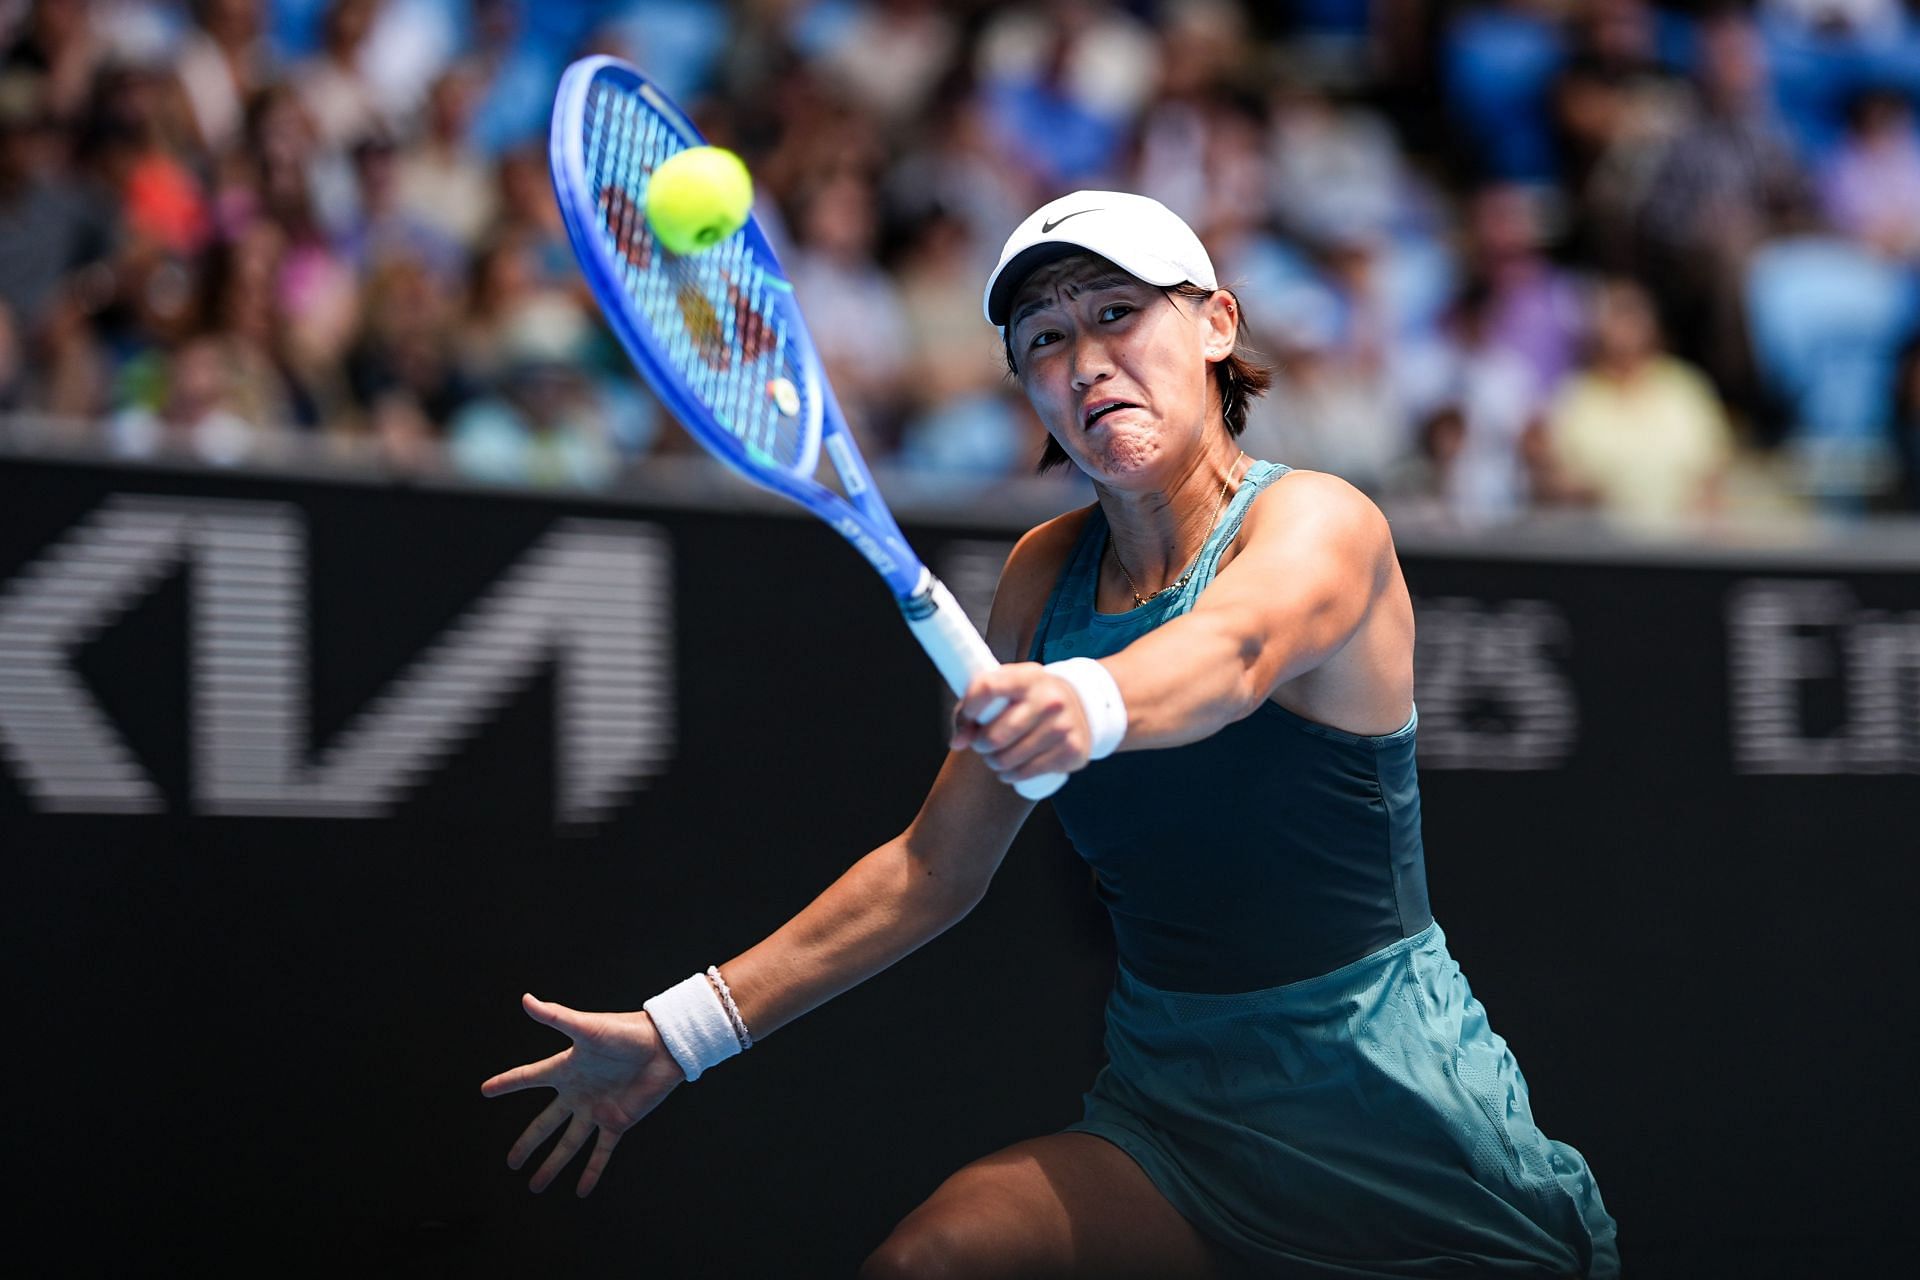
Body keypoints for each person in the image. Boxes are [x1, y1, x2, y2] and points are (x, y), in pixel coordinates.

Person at [481, 191, 1620, 1278]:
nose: (1083, 361)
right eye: (1043, 339)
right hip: (1175, 1120)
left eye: (1118, 313)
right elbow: (934, 866)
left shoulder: (1318, 519)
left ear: (1217, 323)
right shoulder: (1041, 574)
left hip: (1402, 1125)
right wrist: (681, 1031)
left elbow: (1233, 652)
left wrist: (1088, 702)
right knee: (938, 1259)